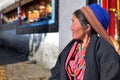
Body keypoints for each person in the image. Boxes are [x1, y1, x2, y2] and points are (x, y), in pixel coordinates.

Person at [49, 3, 120, 80]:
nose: (71, 27)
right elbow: (56, 73)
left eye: (74, 22)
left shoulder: (105, 50)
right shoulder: (70, 48)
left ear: (87, 27)